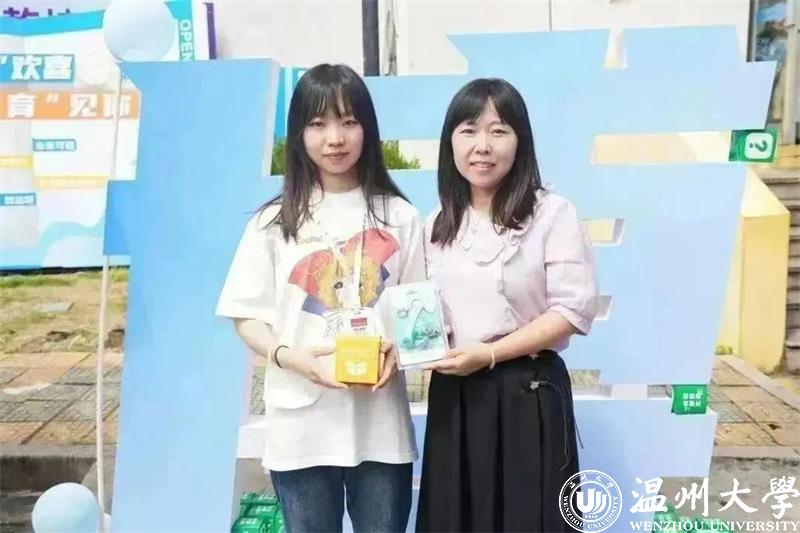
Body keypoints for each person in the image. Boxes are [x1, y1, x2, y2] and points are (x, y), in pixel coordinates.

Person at [216, 63, 425, 533]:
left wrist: (400, 349)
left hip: (379, 424)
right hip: (300, 426)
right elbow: (246, 315)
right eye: (318, 124)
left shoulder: (400, 216)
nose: (335, 138)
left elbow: (419, 314)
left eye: (348, 122)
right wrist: (289, 357)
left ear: (368, 129)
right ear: (299, 133)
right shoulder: (274, 221)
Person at [416, 78, 599, 532]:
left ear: (521, 141)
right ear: (450, 143)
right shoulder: (437, 224)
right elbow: (423, 312)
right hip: (456, 394)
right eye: (468, 131)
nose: (482, 146)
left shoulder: (552, 214)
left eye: (498, 131)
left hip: (528, 394)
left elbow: (571, 311)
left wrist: (491, 353)